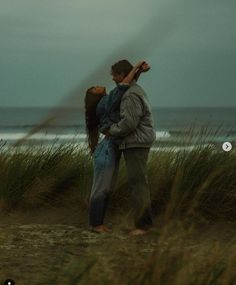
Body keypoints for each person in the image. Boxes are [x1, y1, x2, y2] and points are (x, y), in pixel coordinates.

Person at [85, 61, 149, 233]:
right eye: (93, 88)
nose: (96, 86)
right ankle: (96, 224)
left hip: (112, 146)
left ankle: (97, 223)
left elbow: (126, 87)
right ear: (94, 97)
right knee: (102, 186)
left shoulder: (111, 98)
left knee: (106, 186)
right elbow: (123, 87)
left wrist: (138, 73)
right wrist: (136, 67)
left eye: (114, 74)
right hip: (108, 147)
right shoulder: (105, 102)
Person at [103, 59, 156, 236]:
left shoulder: (131, 95)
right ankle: (144, 225)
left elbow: (129, 124)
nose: (112, 78)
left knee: (138, 184)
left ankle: (143, 227)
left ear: (122, 74)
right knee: (139, 183)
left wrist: (111, 130)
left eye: (114, 74)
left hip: (136, 142)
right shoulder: (133, 90)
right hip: (137, 141)